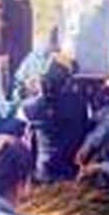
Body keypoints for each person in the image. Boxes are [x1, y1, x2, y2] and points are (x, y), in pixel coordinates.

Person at [18, 54, 90, 183]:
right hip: (70, 175)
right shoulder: (80, 103)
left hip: (43, 173)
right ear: (67, 81)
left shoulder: (31, 107)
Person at [13, 26, 59, 102]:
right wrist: (25, 90)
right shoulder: (34, 58)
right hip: (30, 108)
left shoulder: (65, 62)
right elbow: (16, 92)